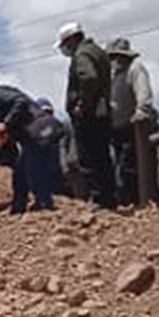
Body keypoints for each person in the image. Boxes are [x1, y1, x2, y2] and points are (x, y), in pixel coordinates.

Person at [58, 22, 115, 208]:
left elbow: (89, 78)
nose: (66, 49)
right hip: (102, 112)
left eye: (66, 44)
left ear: (73, 39)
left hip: (90, 115)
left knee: (89, 156)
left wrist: (82, 104)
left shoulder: (82, 54)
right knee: (102, 155)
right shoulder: (97, 51)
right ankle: (108, 198)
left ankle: (98, 198)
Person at [0, 81, 57, 214]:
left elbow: (20, 102)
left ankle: (44, 205)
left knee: (34, 170)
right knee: (20, 174)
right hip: (27, 138)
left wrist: (6, 123)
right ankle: (18, 208)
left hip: (35, 134)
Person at [107, 38, 155, 195]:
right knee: (117, 165)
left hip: (131, 127)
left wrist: (142, 109)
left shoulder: (135, 68)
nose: (115, 60)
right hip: (115, 128)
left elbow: (143, 92)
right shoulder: (113, 74)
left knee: (130, 166)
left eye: (117, 56)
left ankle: (134, 200)